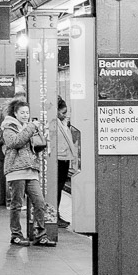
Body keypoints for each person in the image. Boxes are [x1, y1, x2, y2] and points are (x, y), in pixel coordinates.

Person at [1, 97, 55, 246]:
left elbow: (36, 145)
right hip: (16, 171)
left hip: (31, 170)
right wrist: (31, 127)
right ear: (15, 114)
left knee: (39, 202)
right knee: (17, 204)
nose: (25, 115)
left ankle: (40, 235)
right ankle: (16, 235)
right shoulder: (8, 128)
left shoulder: (29, 127)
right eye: (22, 113)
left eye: (27, 112)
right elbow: (15, 142)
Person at [55, 97, 79, 228]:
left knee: (59, 188)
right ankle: (55, 216)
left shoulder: (62, 123)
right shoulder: (54, 123)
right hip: (58, 160)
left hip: (64, 159)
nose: (65, 115)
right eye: (63, 112)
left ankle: (56, 214)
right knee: (57, 189)